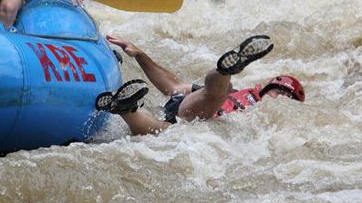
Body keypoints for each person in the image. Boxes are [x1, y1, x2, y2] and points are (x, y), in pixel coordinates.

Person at [95, 35, 305, 135]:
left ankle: (123, 108)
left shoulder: (256, 110)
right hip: (198, 108)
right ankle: (224, 71)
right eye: (281, 94)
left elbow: (173, 87)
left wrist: (139, 54)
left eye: (286, 97)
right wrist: (140, 54)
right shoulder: (250, 106)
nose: (281, 99)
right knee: (215, 96)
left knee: (162, 131)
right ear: (269, 89)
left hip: (182, 124)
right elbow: (174, 86)